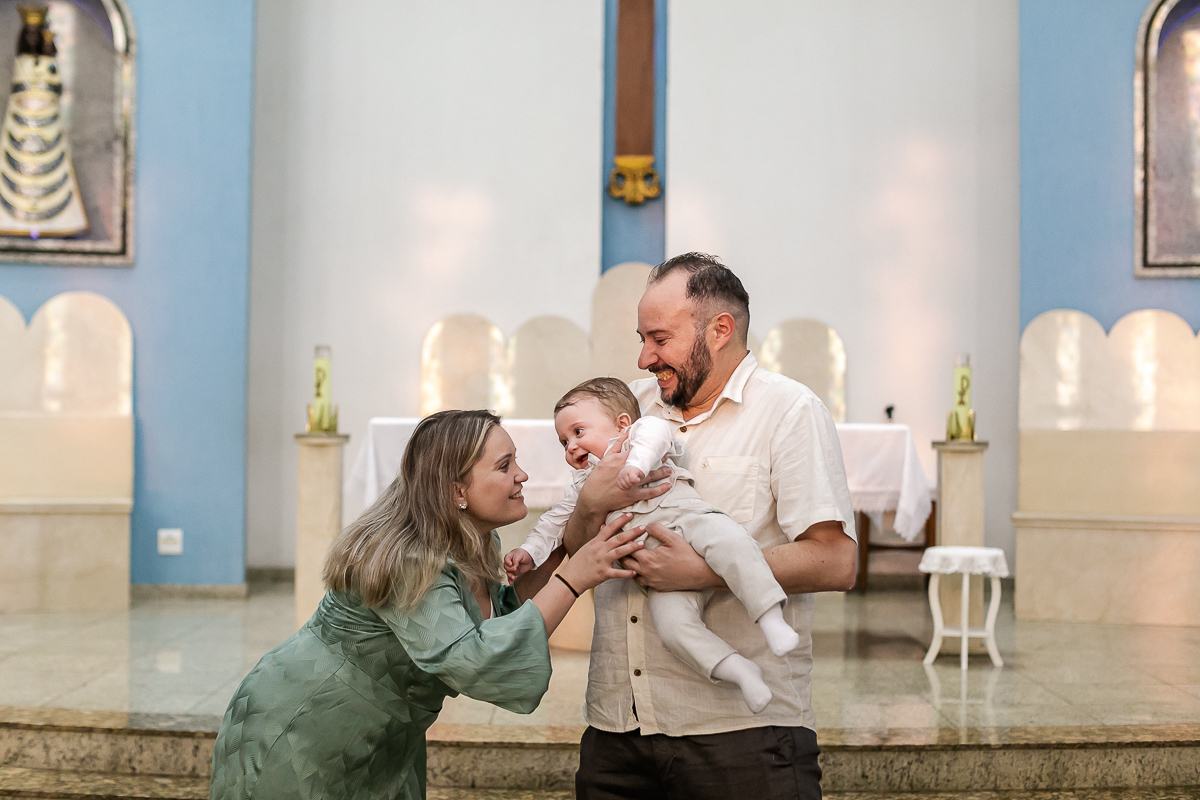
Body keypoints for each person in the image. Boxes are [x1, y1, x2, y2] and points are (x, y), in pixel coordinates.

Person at [209, 410, 646, 800]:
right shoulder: (412, 559)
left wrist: (578, 530)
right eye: (504, 465)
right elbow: (475, 659)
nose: (523, 475)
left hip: (381, 735)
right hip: (301, 728)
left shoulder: (474, 539)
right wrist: (575, 576)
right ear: (457, 489)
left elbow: (508, 617)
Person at [566, 254, 858, 800]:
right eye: (642, 338)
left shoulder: (789, 411)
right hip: (618, 723)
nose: (644, 356)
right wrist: (587, 507)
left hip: (740, 733)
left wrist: (703, 571)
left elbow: (836, 560)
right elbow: (576, 546)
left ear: (720, 330)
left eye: (660, 338)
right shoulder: (627, 409)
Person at [503, 378, 799, 713]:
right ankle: (739, 670)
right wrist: (529, 551)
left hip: (689, 520)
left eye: (578, 432)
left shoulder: (639, 434)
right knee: (673, 628)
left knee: (733, 544)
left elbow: (655, 435)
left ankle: (770, 617)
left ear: (622, 424)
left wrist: (637, 465)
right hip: (655, 566)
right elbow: (555, 520)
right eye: (564, 441)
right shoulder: (584, 482)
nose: (571, 445)